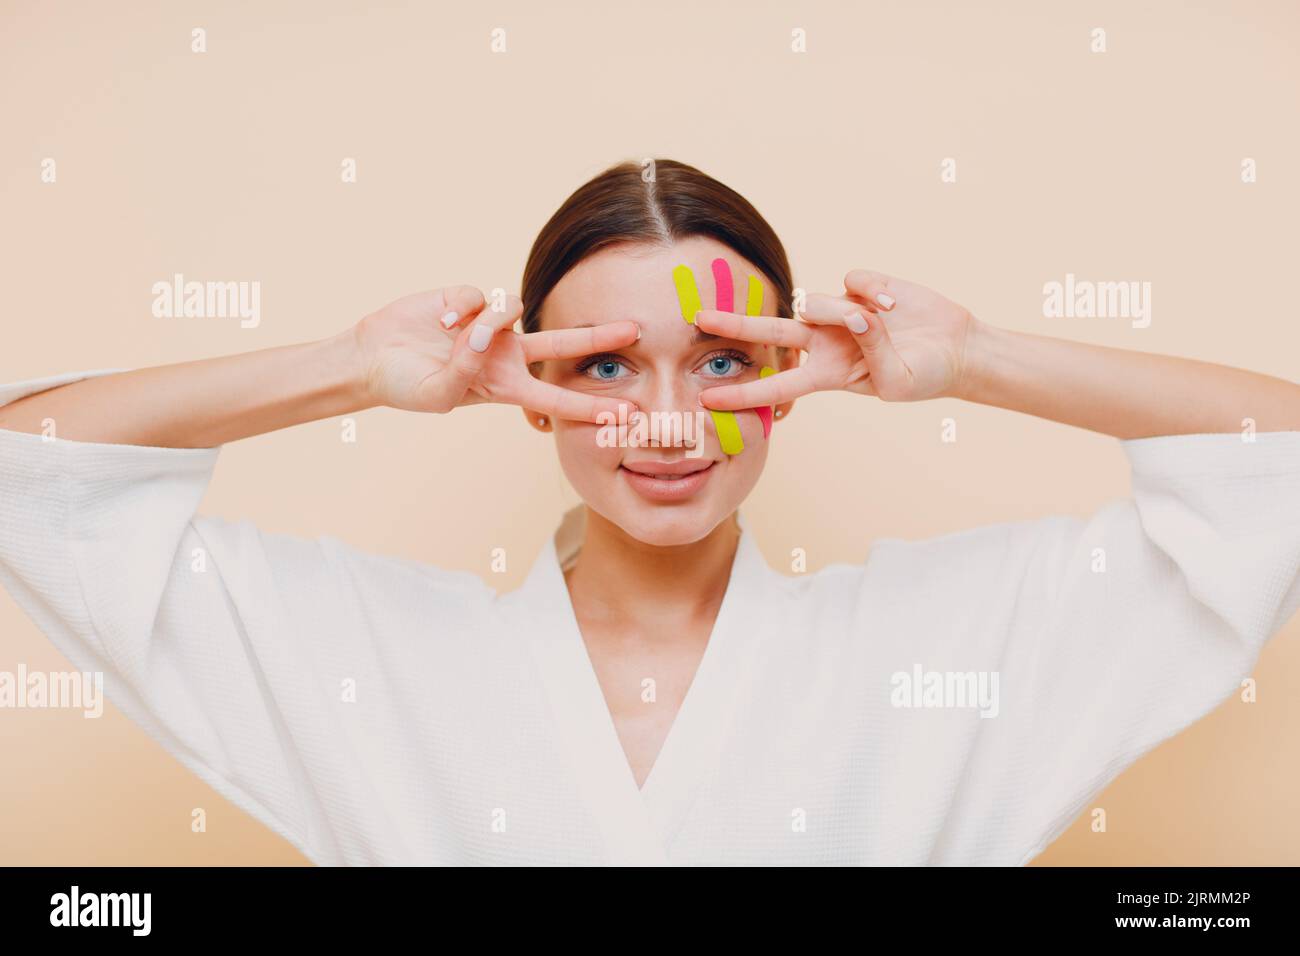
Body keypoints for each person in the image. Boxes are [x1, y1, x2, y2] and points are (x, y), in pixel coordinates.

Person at [1, 159, 1297, 865]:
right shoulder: (366, 653)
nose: (668, 420)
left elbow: (1277, 459)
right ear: (530, 391)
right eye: (605, 366)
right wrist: (358, 368)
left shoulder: (946, 644)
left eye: (723, 361)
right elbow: (31, 470)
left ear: (793, 382)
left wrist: (972, 360)